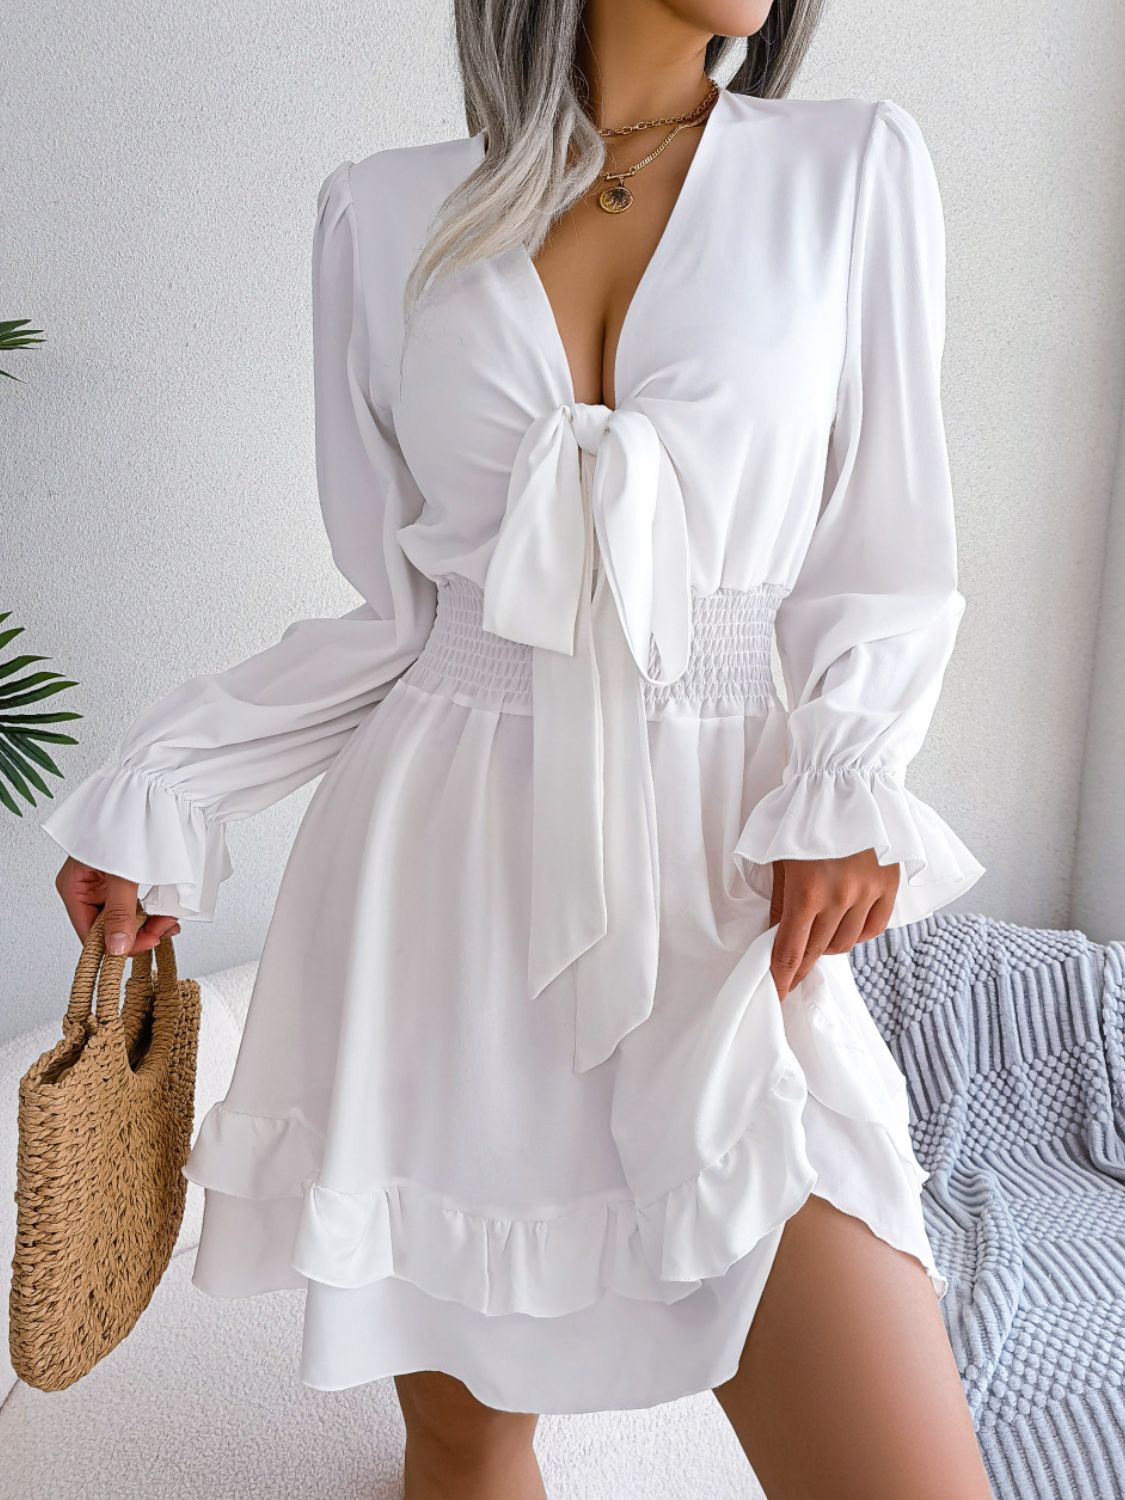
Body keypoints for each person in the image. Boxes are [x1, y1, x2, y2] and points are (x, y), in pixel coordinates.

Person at [45, 2, 995, 1495]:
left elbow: (887, 552)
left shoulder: (850, 170)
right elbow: (401, 619)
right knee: (464, 1439)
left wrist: (847, 778)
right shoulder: (379, 215)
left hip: (724, 887)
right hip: (442, 896)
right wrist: (170, 788)